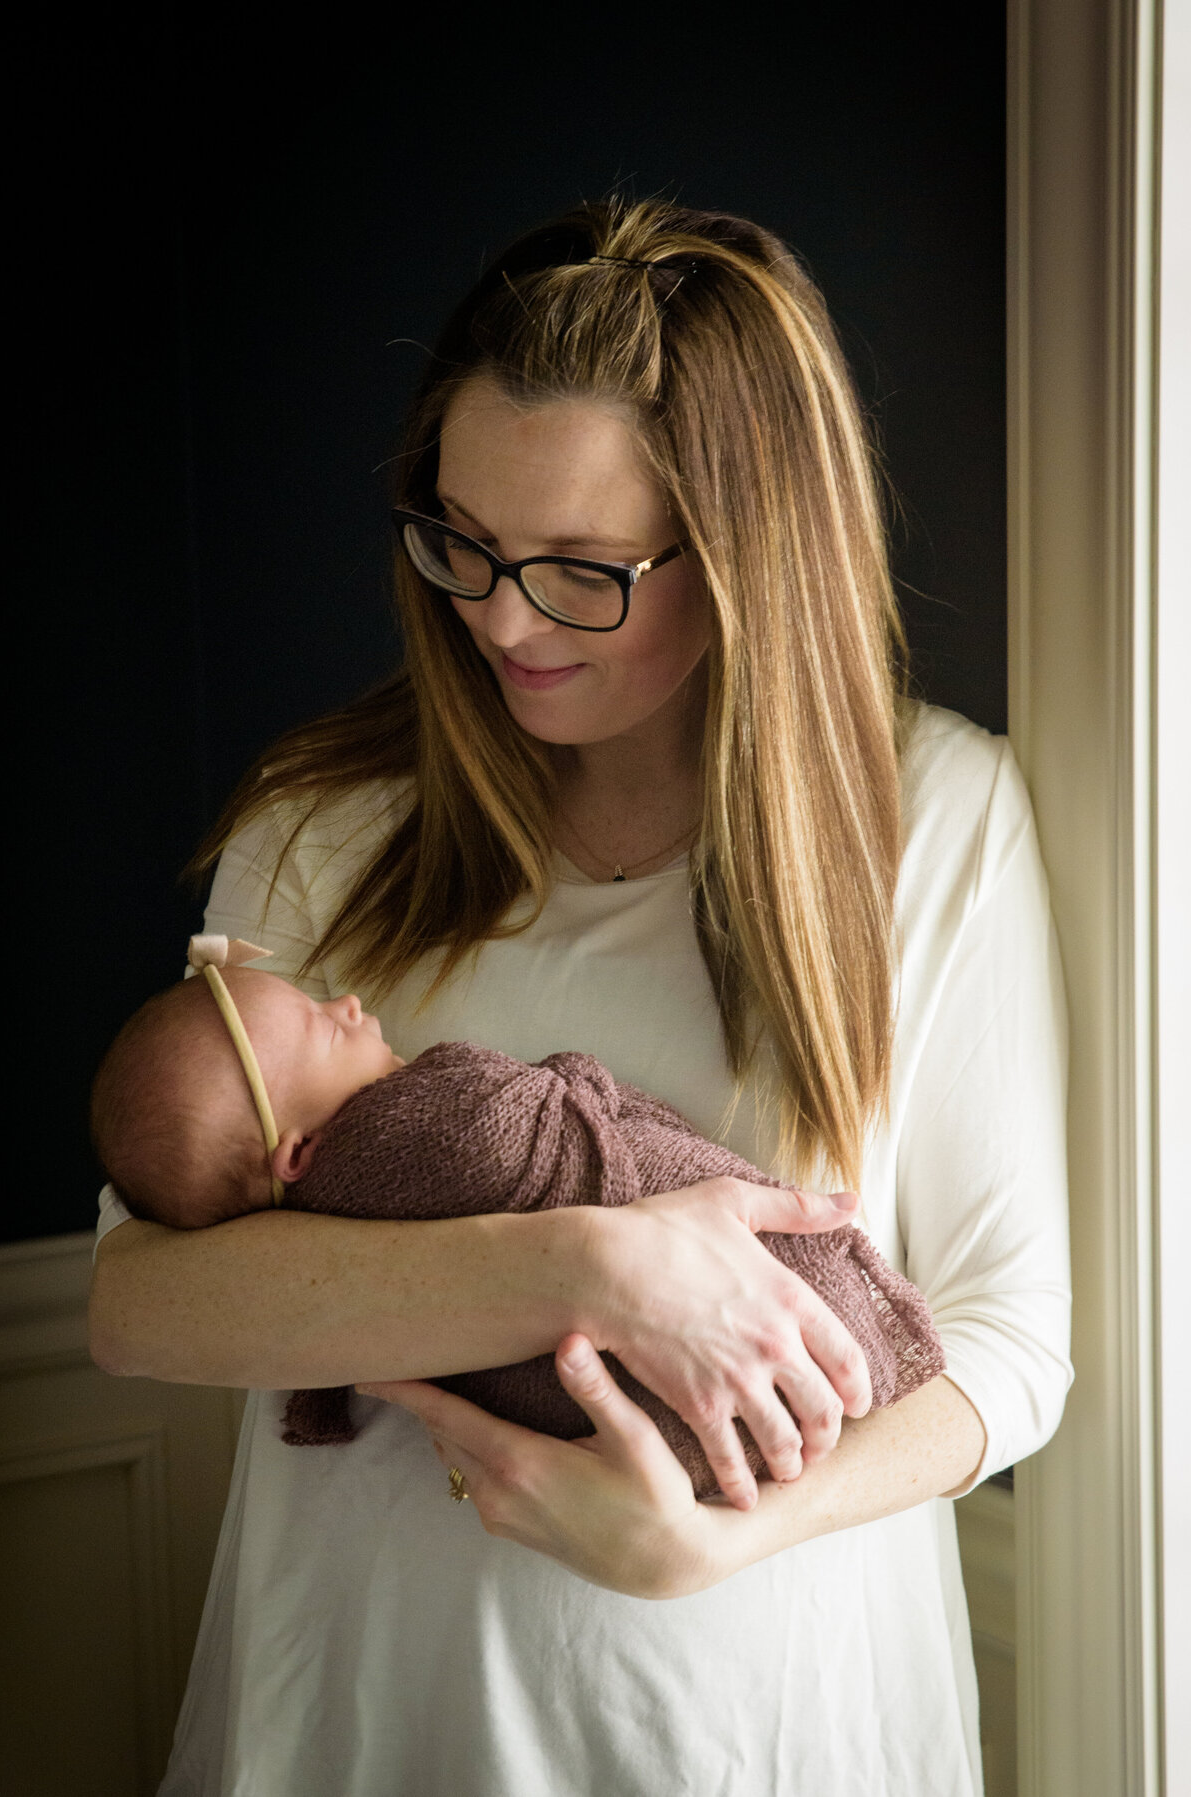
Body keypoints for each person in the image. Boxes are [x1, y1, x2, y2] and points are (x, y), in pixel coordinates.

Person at [88, 197, 1071, 1796]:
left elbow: (1012, 1345)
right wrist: (589, 1267)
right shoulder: (323, 827)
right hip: (360, 1702)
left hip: (751, 1715)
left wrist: (715, 1534)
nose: (499, 618)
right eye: (462, 539)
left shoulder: (933, 821)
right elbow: (140, 1306)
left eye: (583, 570)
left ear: (749, 551)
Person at [88, 951, 946, 1497]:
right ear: (299, 1155)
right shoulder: (420, 1124)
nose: (349, 1001)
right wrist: (596, 1243)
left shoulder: (323, 1230)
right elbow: (527, 1115)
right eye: (321, 1022)